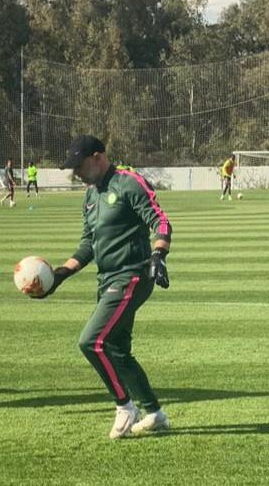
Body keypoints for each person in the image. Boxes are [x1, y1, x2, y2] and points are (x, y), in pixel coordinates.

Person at [38, 135, 172, 439]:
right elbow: (89, 244)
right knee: (116, 349)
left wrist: (159, 254)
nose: (76, 173)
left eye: (79, 165)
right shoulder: (89, 196)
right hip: (107, 279)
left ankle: (125, 405)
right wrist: (59, 275)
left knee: (91, 341)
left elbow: (160, 221)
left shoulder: (129, 183)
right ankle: (155, 413)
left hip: (133, 275)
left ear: (98, 157)